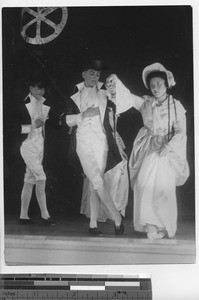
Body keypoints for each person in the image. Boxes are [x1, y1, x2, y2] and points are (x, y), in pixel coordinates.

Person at [106, 62, 189, 239]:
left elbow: (181, 131)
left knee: (161, 186)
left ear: (167, 84)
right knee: (144, 182)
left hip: (167, 150)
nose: (155, 88)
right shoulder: (146, 102)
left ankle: (162, 224)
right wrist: (116, 83)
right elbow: (128, 97)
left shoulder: (176, 105)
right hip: (149, 148)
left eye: (159, 84)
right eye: (152, 85)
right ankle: (151, 224)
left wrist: (169, 146)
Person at [63, 59, 129, 236]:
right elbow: (64, 120)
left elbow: (122, 101)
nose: (95, 77)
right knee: (96, 180)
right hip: (83, 142)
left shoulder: (105, 91)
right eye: (91, 73)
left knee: (95, 183)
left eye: (98, 74)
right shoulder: (74, 93)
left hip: (102, 142)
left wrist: (115, 87)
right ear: (83, 73)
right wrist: (82, 115)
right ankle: (117, 217)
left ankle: (93, 225)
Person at [18, 75, 55, 225]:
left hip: (40, 145)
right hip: (27, 145)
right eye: (38, 88)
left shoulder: (45, 103)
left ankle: (23, 215)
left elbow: (50, 123)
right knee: (41, 177)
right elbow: (13, 128)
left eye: (43, 88)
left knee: (29, 179)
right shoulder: (22, 104)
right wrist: (33, 126)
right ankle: (45, 215)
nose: (41, 91)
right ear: (31, 88)